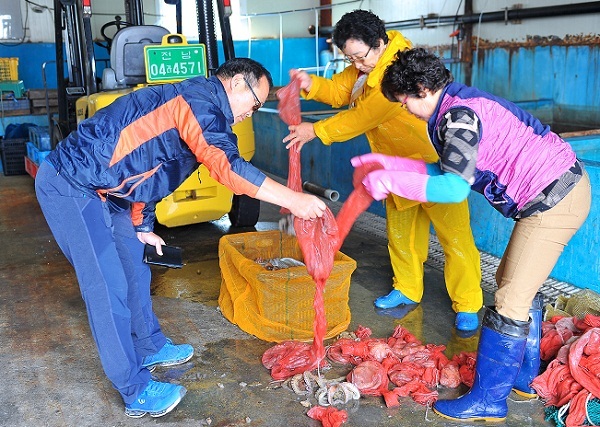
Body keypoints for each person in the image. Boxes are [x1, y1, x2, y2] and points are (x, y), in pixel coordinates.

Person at [34, 57, 326, 418]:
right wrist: (293, 199)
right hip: (72, 184)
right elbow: (226, 165)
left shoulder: (204, 109)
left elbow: (149, 168)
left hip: (109, 191)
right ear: (236, 83)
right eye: (254, 103)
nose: (252, 112)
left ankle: (148, 344)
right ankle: (134, 389)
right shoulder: (198, 103)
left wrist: (142, 226)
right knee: (106, 285)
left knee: (136, 268)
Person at [355, 47, 591, 422]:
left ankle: (489, 401)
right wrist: (391, 163)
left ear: (420, 89)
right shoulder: (456, 104)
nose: (404, 110)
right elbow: (447, 167)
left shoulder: (458, 117)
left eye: (403, 103)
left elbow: (453, 188)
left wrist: (392, 180)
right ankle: (523, 378)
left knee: (511, 299)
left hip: (555, 199)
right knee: (508, 282)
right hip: (553, 193)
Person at [282, 9, 483, 331]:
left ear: (379, 43)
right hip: (392, 166)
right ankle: (406, 288)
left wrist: (316, 131)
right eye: (351, 59)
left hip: (433, 165)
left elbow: (363, 117)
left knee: (454, 238)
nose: (356, 65)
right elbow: (339, 92)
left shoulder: (398, 71)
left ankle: (469, 302)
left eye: (360, 57)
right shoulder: (363, 68)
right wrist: (312, 84)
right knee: (401, 233)